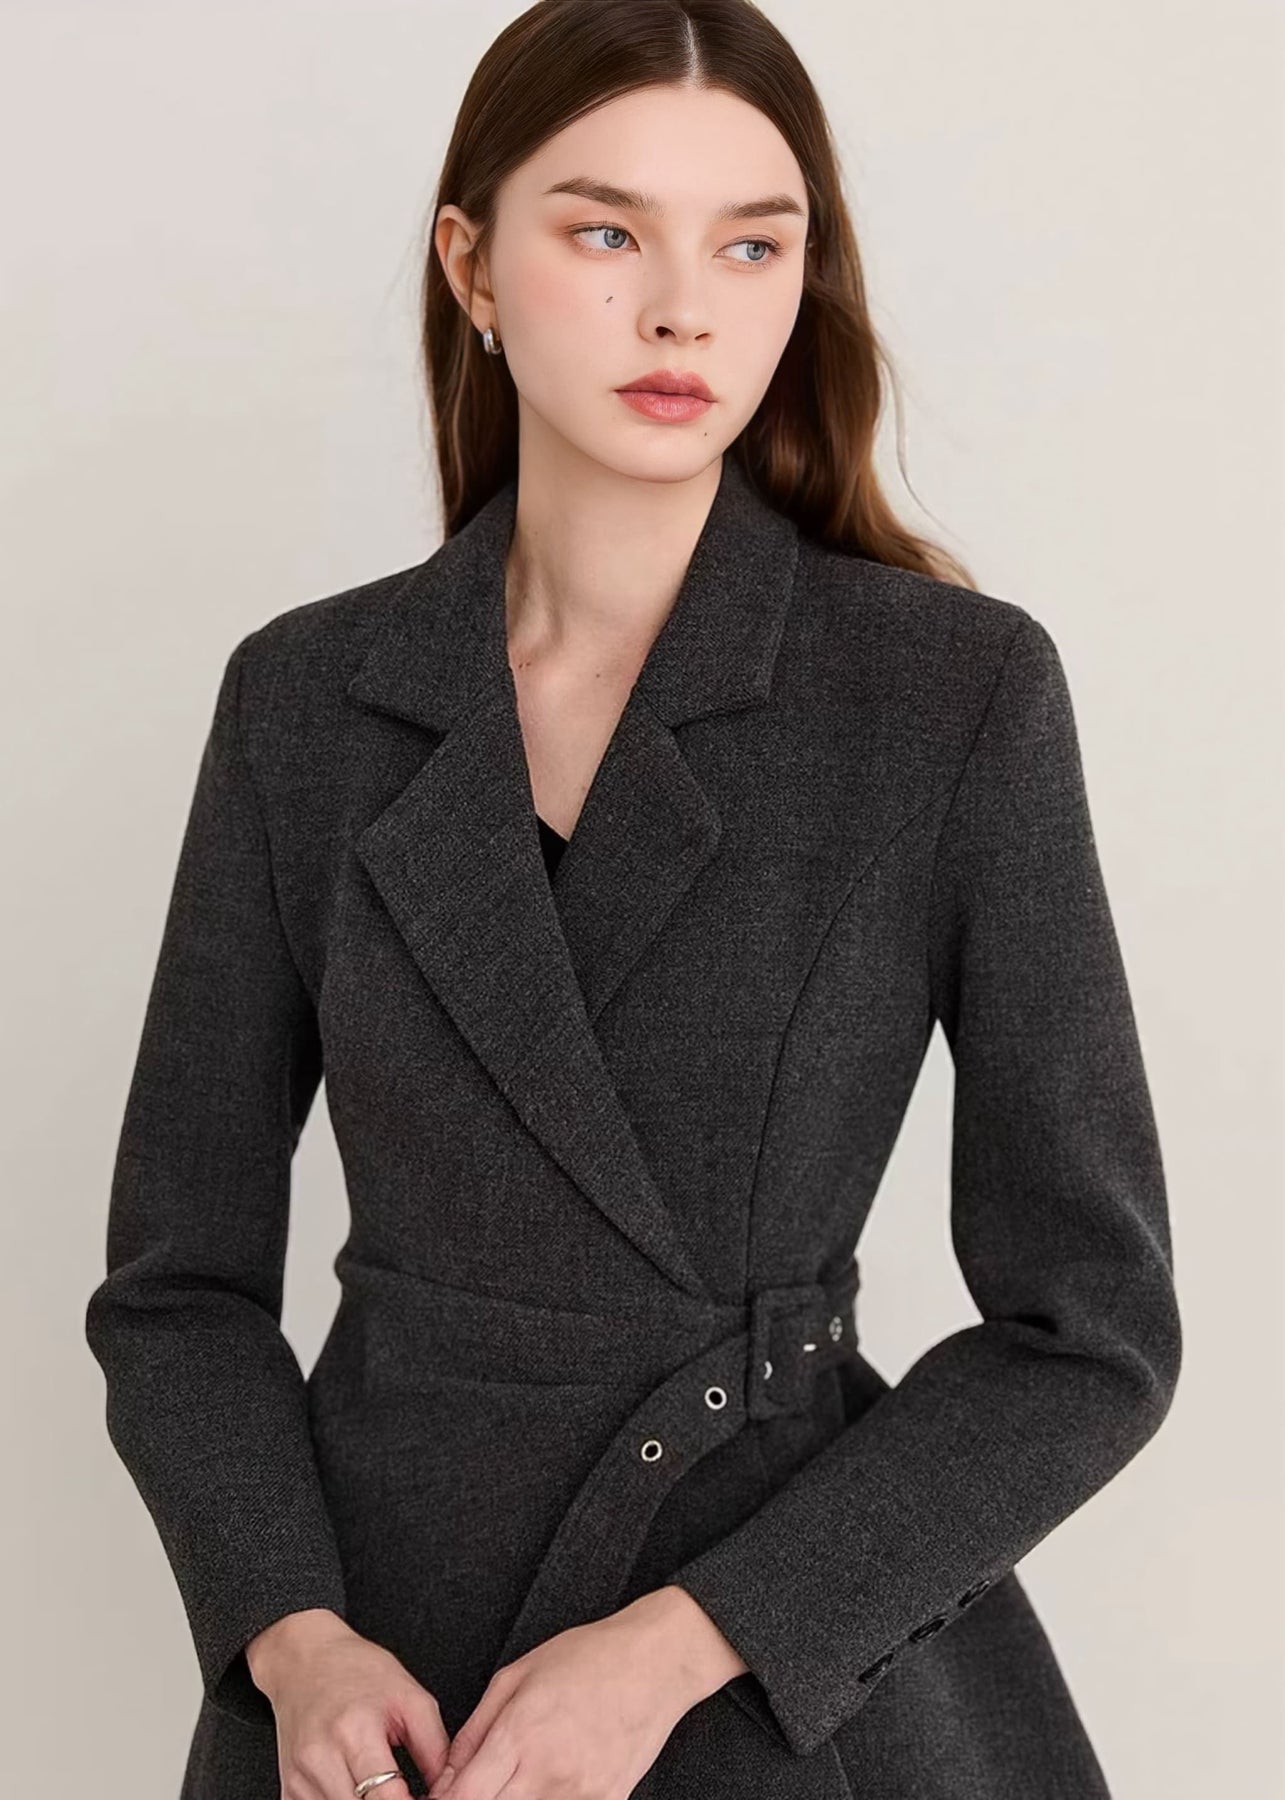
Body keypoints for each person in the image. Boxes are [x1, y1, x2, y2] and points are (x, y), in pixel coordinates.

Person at [84, 3, 1183, 1797]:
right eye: (607, 232)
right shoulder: (305, 702)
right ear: (471, 263)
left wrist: (685, 1645)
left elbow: (1093, 1333)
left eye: (751, 245)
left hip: (777, 1666)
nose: (684, 311)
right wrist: (288, 1635)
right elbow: (176, 1288)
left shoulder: (947, 696)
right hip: (378, 1691)